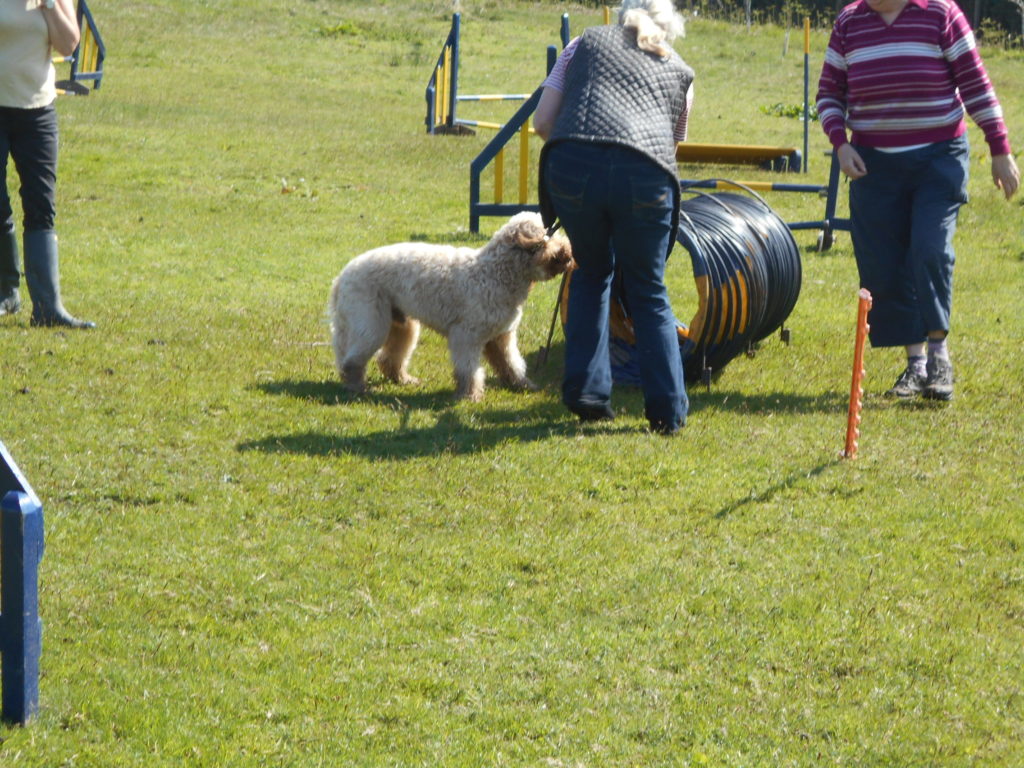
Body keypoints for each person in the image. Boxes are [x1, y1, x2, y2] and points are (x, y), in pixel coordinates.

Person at [816, 0, 1018, 401]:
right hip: (873, 164)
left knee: (930, 249)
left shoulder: (940, 14)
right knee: (885, 262)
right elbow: (828, 94)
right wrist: (840, 144)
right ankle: (916, 364)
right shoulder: (849, 22)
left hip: (937, 159)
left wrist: (999, 147)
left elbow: (976, 84)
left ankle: (940, 356)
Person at [534, 0, 693, 434]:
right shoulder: (682, 71)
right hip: (645, 175)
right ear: (668, 29)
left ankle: (586, 393)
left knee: (590, 270)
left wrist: (584, 160)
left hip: (572, 166)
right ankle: (667, 413)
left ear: (623, 16)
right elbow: (668, 152)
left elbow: (543, 121)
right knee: (648, 287)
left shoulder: (581, 45)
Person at [0, 0, 94, 328]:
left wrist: (49, 5)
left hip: (37, 113)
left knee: (41, 205)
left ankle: (48, 308)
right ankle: (7, 293)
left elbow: (68, 45)